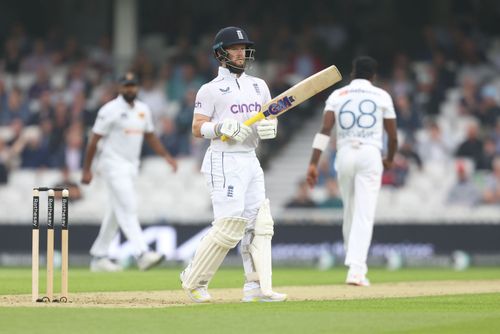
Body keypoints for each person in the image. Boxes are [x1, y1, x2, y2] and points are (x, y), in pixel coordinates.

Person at [179, 26, 287, 303]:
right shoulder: (210, 90)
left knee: (258, 224)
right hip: (224, 159)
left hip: (251, 159)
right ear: (220, 54)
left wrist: (270, 127)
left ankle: (257, 287)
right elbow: (196, 127)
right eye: (234, 49)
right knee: (229, 225)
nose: (241, 53)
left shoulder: (258, 85)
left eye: (243, 48)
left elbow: (269, 115)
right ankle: (194, 280)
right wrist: (218, 127)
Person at [306, 56, 398, 286]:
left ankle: (352, 262)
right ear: (373, 76)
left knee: (350, 209)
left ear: (352, 74)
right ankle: (357, 269)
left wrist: (313, 163)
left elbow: (325, 130)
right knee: (363, 213)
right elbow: (393, 136)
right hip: (370, 153)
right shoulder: (381, 96)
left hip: (345, 154)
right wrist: (389, 159)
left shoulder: (338, 95)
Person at [81, 72, 178, 272]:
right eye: (126, 86)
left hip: (131, 166)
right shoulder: (109, 110)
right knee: (128, 205)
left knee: (115, 212)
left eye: (133, 86)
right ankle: (142, 254)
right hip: (111, 164)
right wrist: (86, 170)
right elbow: (93, 141)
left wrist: (166, 157)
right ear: (119, 88)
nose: (130, 89)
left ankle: (99, 256)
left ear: (138, 87)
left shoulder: (143, 109)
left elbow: (150, 136)